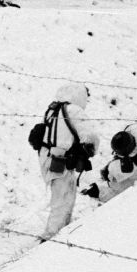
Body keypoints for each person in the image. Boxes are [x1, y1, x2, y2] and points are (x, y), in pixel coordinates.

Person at [37, 83, 100, 239]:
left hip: (48, 158)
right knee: (63, 199)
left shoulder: (52, 110)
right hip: (62, 162)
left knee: (64, 196)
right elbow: (91, 136)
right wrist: (89, 150)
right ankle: (52, 236)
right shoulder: (74, 110)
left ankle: (61, 232)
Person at [83, 130, 137, 204]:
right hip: (122, 181)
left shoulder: (114, 166)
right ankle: (97, 191)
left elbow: (111, 179)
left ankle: (97, 190)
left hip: (116, 178)